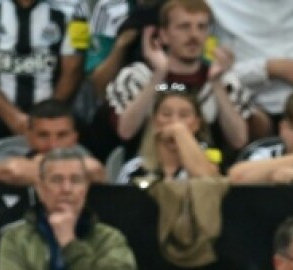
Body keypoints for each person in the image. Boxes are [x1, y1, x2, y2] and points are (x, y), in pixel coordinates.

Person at [0, 146, 138, 270]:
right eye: (57, 180)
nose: (66, 189)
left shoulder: (109, 237)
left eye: (76, 180)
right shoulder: (14, 238)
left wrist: (69, 243)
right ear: (40, 187)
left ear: (86, 187)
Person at [104, 0, 252, 156]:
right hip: (144, 169)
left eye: (201, 27)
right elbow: (125, 131)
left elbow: (239, 140)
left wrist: (216, 83)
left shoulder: (224, 80)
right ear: (164, 35)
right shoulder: (136, 76)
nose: (194, 35)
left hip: (206, 170)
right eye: (184, 27)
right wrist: (158, 76)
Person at [0, 0, 88, 149]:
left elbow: (73, 70)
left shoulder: (74, 6)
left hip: (54, 113)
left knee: (77, 131)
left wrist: (45, 119)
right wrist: (13, 118)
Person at [0, 99, 107, 186]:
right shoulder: (7, 149)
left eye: (62, 135)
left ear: (74, 138)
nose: (53, 145)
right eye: (43, 135)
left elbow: (95, 170)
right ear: (28, 135)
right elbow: (12, 171)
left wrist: (42, 164)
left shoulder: (80, 152)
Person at [113, 87, 221, 184]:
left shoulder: (210, 162)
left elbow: (209, 183)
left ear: (197, 123)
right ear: (154, 121)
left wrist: (180, 133)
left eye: (184, 115)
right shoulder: (134, 169)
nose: (175, 121)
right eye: (166, 114)